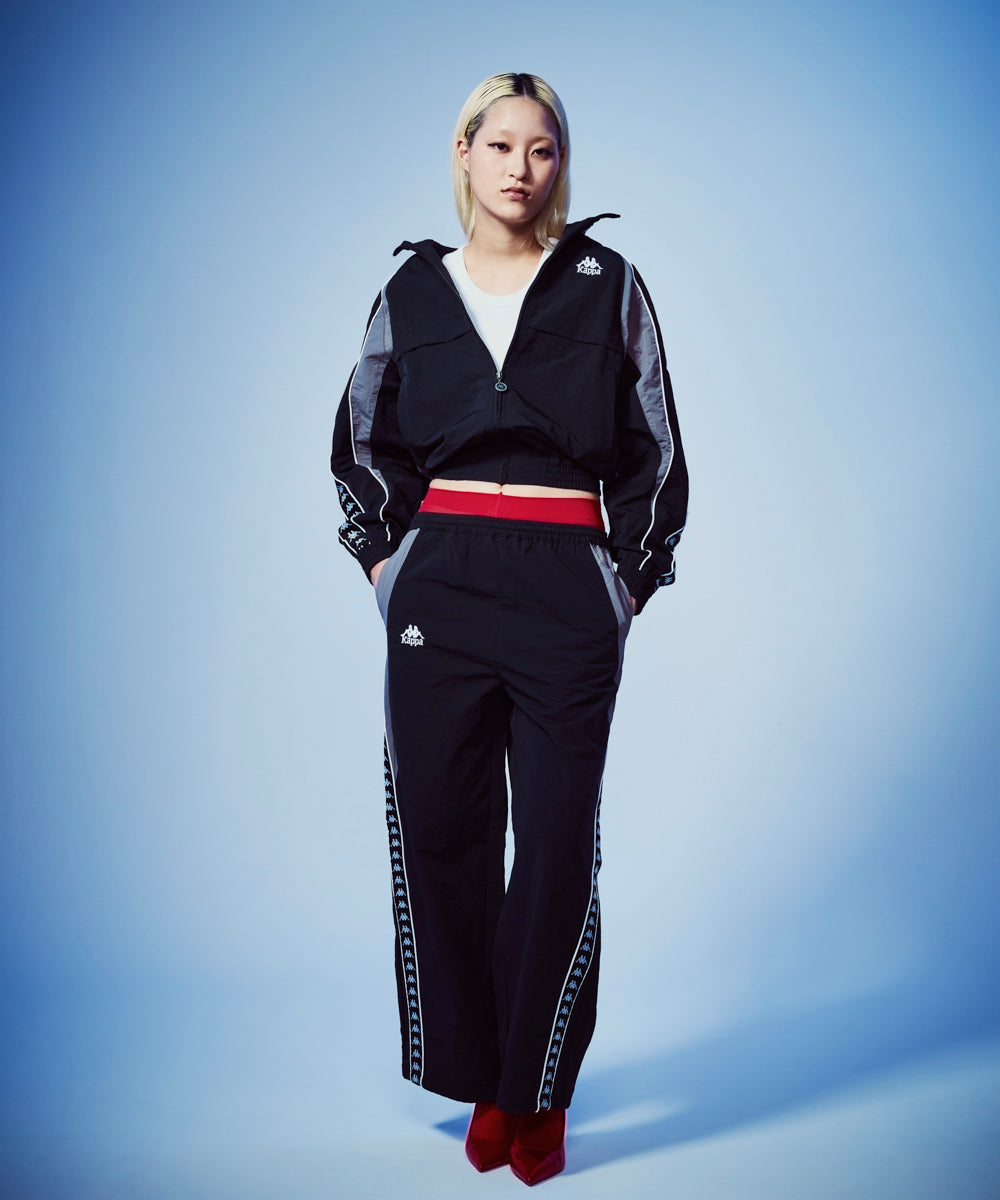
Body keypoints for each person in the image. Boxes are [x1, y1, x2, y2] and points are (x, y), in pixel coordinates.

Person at [330, 71, 687, 1186]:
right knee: (441, 828)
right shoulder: (412, 289)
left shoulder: (606, 283)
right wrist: (390, 565)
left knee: (556, 839)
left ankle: (539, 1089)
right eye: (500, 146)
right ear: (465, 153)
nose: (521, 168)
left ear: (558, 163)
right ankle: (484, 1076)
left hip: (563, 582)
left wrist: (623, 582)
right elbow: (360, 438)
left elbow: (656, 445)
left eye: (542, 149)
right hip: (440, 583)